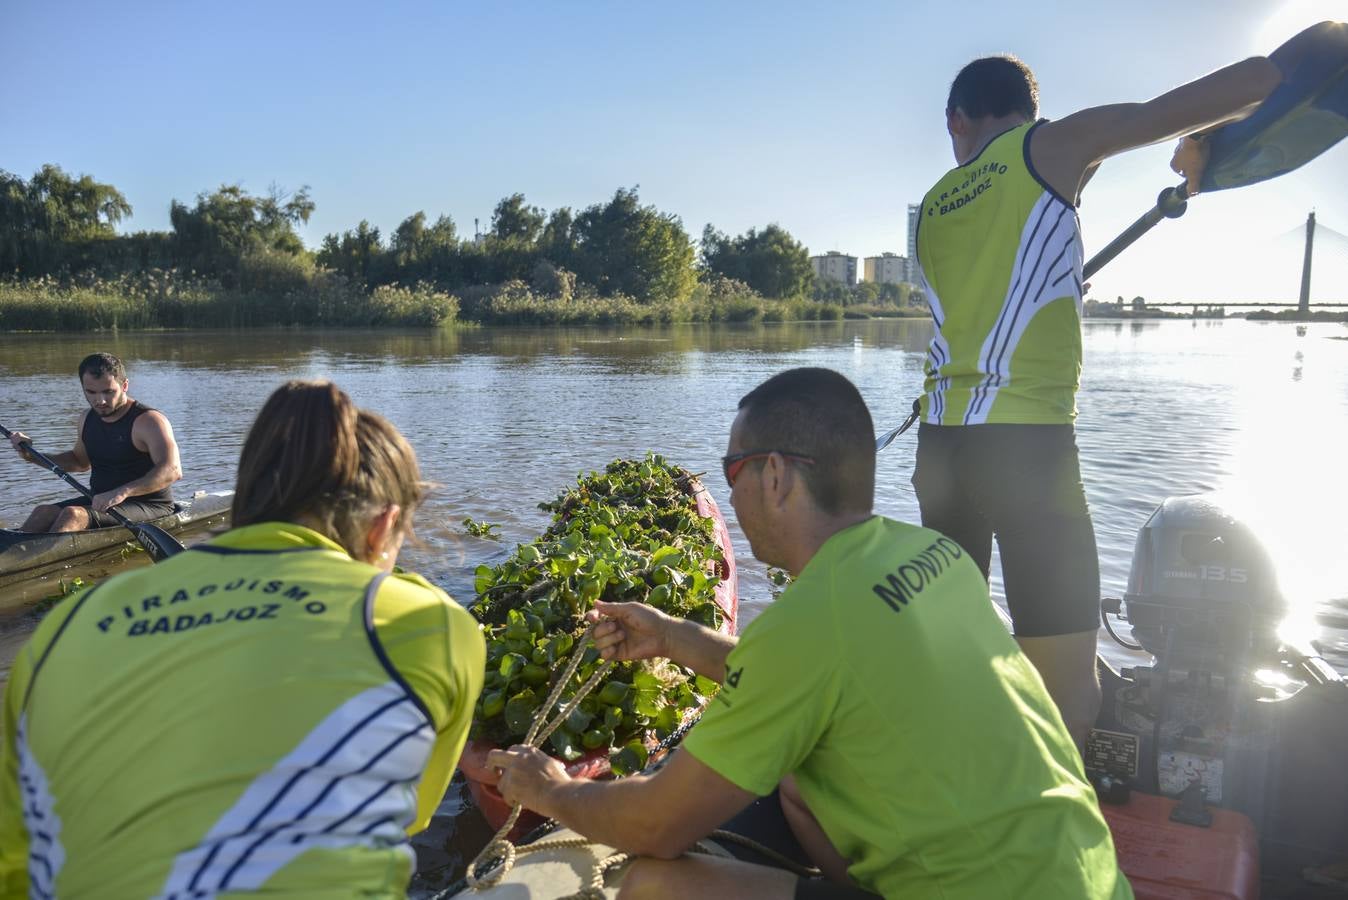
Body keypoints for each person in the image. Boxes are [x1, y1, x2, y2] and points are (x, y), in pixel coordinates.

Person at [490, 368, 1131, 899]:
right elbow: (826, 667)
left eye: (731, 469)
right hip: (1086, 876)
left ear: (774, 475)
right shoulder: (931, 555)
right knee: (798, 783)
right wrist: (672, 637)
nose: (731, 496)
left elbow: (657, 824)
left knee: (653, 884)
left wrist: (551, 787)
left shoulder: (812, 618)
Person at [910, 53, 1284, 746]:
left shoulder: (933, 204)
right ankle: (1054, 834)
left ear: (957, 120)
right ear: (1029, 112)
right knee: (1067, 691)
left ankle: (962, 794)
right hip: (1025, 450)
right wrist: (1204, 140)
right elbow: (1259, 80)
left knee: (955, 650)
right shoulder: (1052, 146)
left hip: (942, 450)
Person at [0, 380, 486, 898]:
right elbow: (407, 815)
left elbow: (16, 855)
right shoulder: (433, 624)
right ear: (384, 525)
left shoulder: (69, 626)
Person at [7, 352, 181, 532]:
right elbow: (79, 462)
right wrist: (31, 456)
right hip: (101, 501)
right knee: (42, 512)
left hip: (150, 505)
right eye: (91, 392)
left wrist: (122, 492)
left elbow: (172, 471)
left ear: (125, 385)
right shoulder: (86, 419)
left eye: (108, 391)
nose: (100, 400)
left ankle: (44, 558)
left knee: (73, 515)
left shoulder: (148, 421)